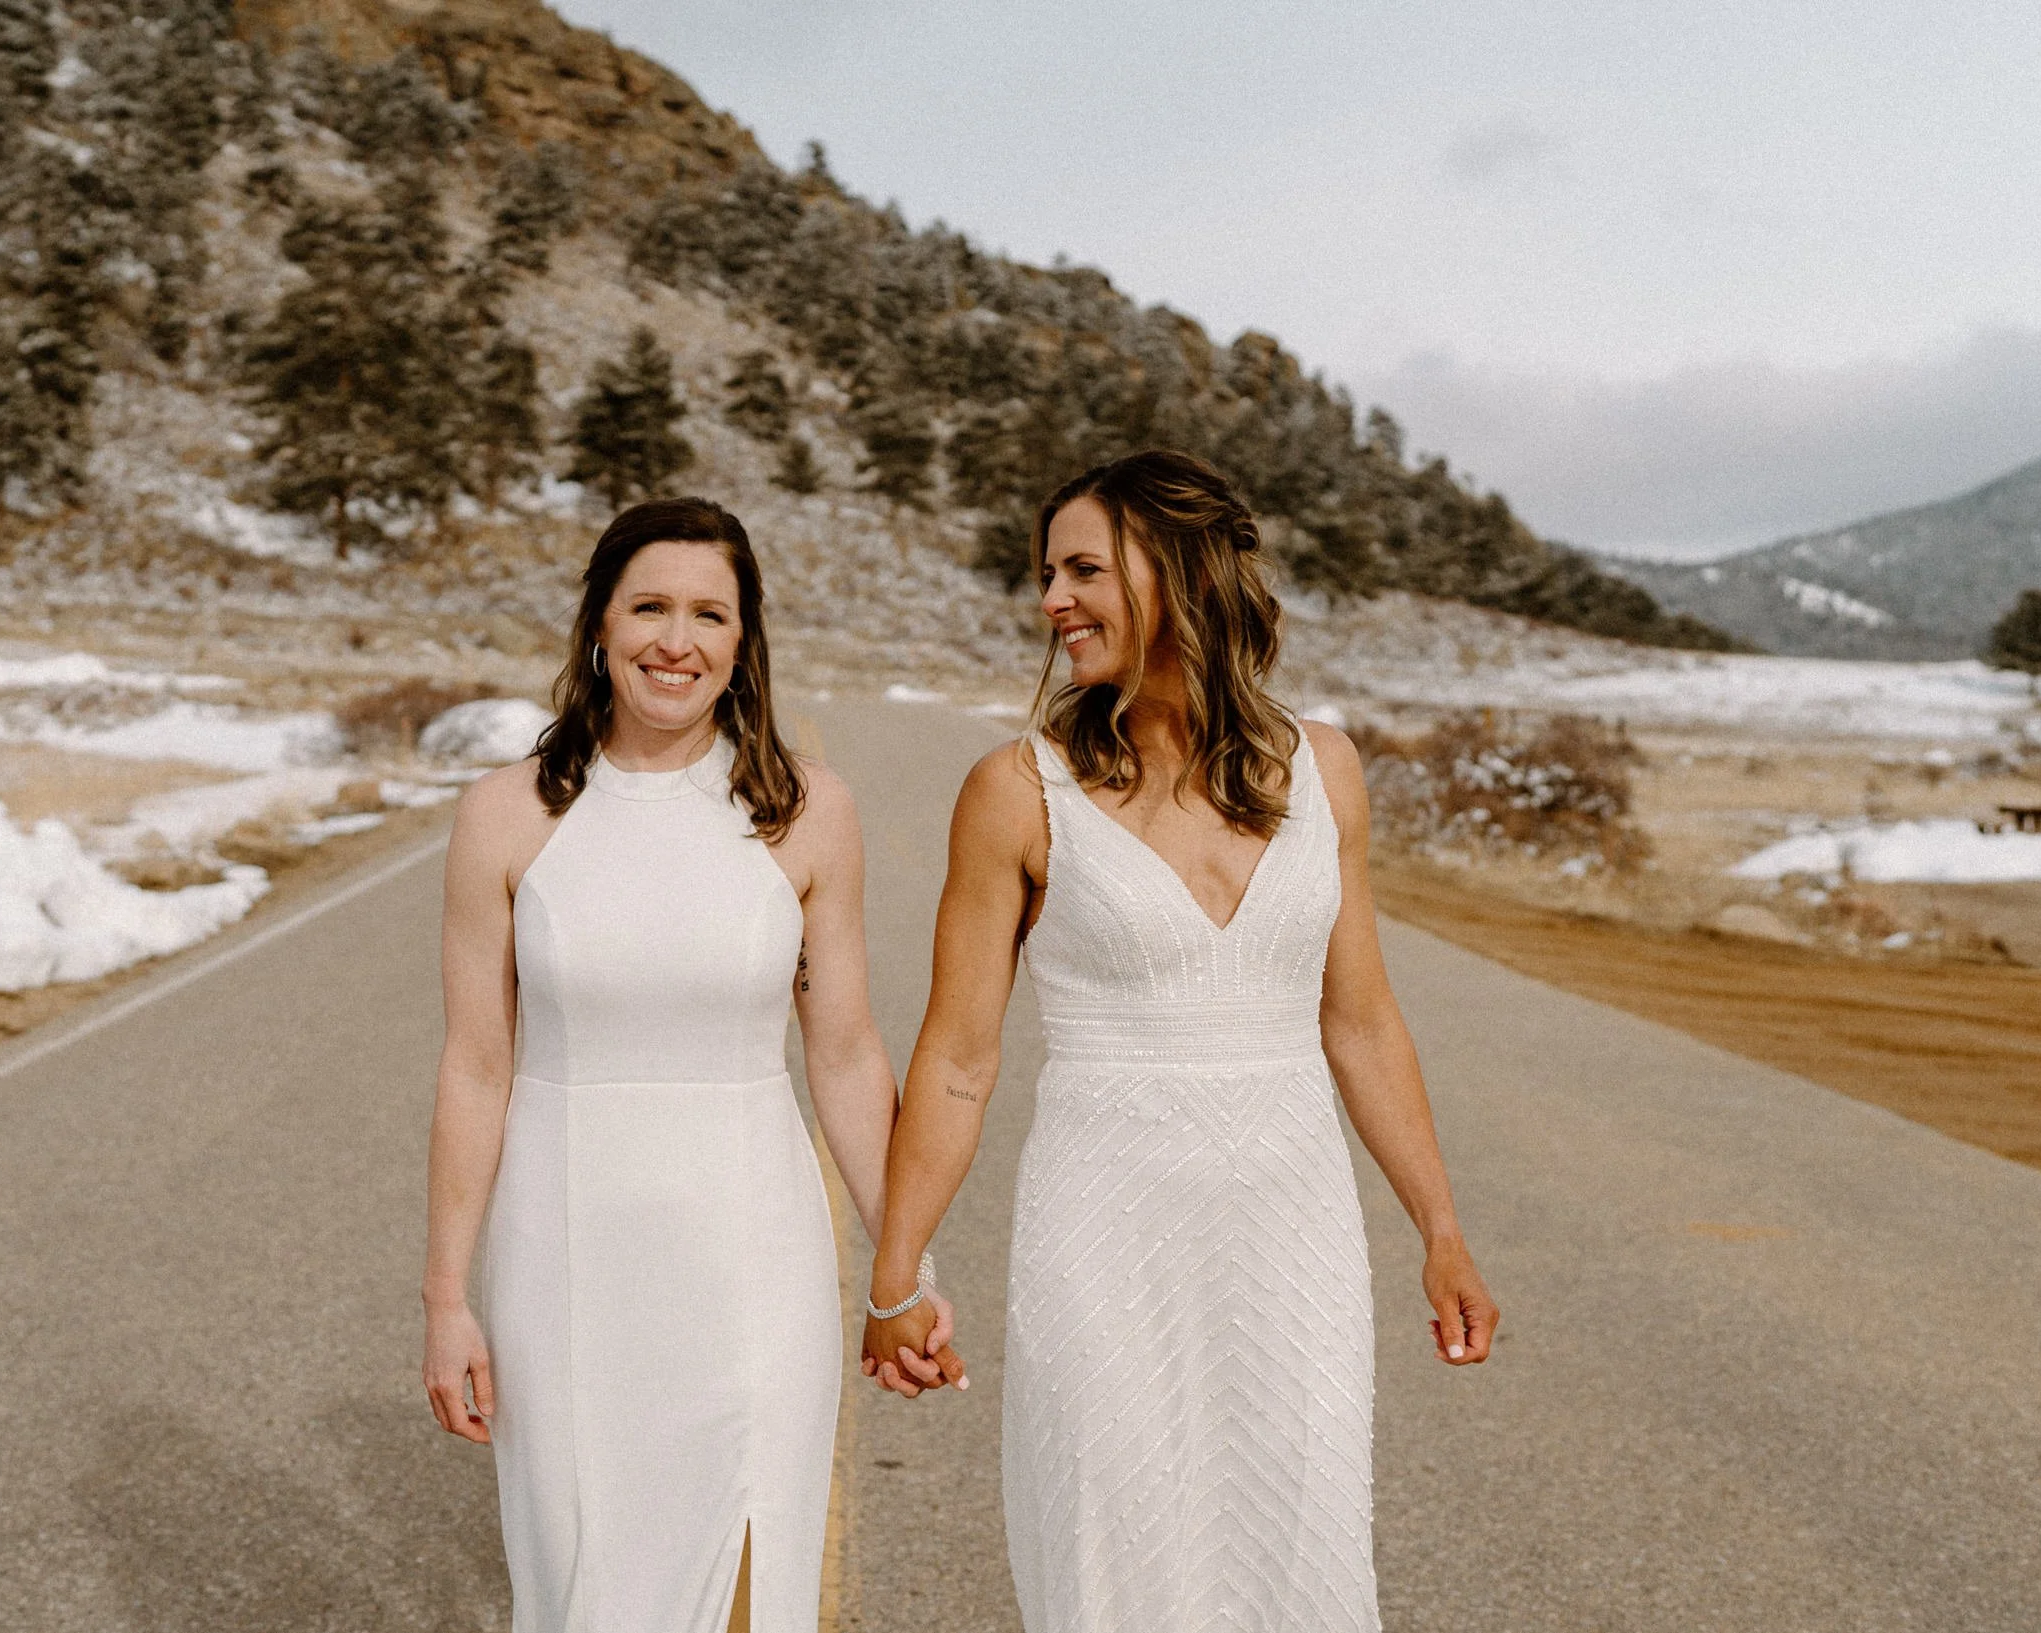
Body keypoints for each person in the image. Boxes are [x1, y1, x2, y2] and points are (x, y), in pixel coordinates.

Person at [862, 451, 1498, 1631]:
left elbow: (1360, 1020)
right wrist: (896, 1274)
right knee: (1113, 1550)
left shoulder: (1324, 770)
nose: (1051, 601)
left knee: (1297, 1555)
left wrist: (1441, 1230)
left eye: (1082, 570)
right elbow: (955, 1059)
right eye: (1045, 574)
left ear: (1180, 572)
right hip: (1101, 1234)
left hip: (1293, 1237)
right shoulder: (1017, 791)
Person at [421, 497, 949, 1633]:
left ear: (743, 640)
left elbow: (845, 1054)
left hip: (753, 1259)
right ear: (599, 627)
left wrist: (902, 1266)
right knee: (582, 1586)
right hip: (563, 1258)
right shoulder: (505, 816)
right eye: (649, 607)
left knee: (751, 1583)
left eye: (710, 613)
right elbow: (474, 1068)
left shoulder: (808, 812)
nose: (677, 640)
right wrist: (445, 1298)